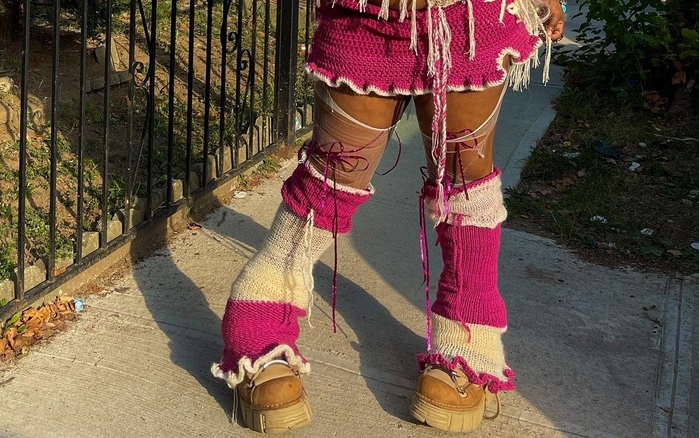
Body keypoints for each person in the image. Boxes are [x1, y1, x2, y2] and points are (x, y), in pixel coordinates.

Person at [212, 0, 565, 433]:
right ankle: (261, 303)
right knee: (334, 173)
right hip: (367, 14)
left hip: (472, 15)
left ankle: (469, 326)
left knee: (466, 178)